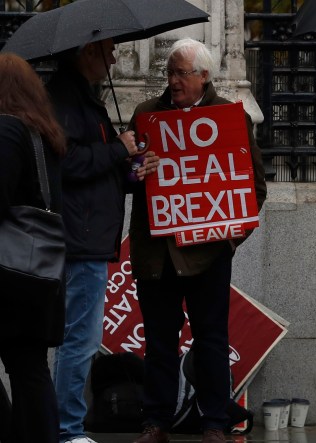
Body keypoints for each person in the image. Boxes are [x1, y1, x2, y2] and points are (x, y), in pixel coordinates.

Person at [126, 38, 267, 443]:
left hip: (207, 255)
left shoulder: (228, 117)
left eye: (181, 73)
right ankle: (156, 423)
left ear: (203, 76)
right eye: (169, 72)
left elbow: (253, 188)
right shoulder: (145, 115)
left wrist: (228, 237)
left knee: (211, 340)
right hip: (158, 254)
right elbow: (126, 179)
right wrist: (137, 170)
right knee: (159, 342)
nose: (173, 81)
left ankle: (214, 424)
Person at [46, 38, 160, 443]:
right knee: (81, 337)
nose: (114, 58)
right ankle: (68, 428)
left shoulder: (83, 98)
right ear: (86, 52)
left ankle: (64, 425)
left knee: (77, 336)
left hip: (90, 232)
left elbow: (100, 169)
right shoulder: (63, 97)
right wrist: (117, 149)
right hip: (82, 236)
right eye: (108, 50)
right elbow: (69, 162)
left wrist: (132, 170)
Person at [0, 52, 67, 443]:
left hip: (9, 277)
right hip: (36, 274)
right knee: (30, 371)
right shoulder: (42, 132)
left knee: (28, 374)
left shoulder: (7, 131)